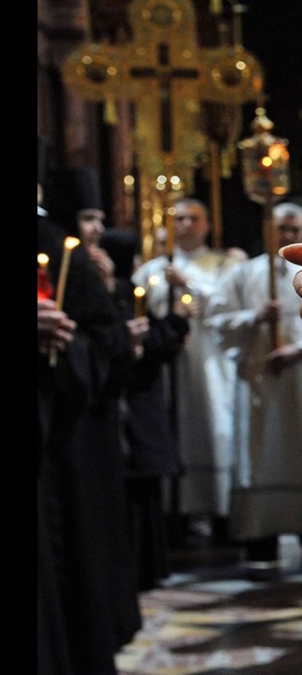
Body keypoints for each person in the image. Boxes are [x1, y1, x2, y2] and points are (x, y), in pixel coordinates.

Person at [39, 164, 142, 675]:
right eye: (87, 217)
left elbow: (100, 343)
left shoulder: (64, 252)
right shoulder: (59, 249)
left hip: (78, 427)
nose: (96, 228)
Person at [207, 202, 302, 566]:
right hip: (260, 378)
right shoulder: (244, 273)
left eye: (294, 230)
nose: (287, 235)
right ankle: (261, 538)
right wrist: (253, 317)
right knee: (260, 452)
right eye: (280, 229)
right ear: (267, 230)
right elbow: (217, 321)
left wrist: (300, 348)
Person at [133, 197, 242, 544]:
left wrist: (189, 284)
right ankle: (172, 513)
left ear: (206, 224)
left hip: (208, 361)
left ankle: (218, 512)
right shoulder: (152, 269)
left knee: (211, 428)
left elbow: (226, 306)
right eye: (178, 219)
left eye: (193, 218)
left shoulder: (222, 264)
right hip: (167, 364)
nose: (185, 225)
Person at [100, 228, 192, 590]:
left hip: (141, 406)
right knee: (135, 494)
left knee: (143, 493)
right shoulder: (118, 294)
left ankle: (148, 568)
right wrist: (176, 320)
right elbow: (150, 342)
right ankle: (140, 570)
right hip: (132, 406)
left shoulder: (123, 291)